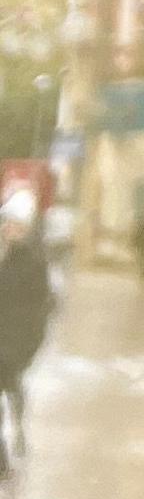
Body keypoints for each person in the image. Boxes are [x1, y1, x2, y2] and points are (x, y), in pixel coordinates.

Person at [0, 189, 52, 481]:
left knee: (12, 387)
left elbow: (40, 308)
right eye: (7, 223)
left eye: (16, 224)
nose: (10, 229)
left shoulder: (33, 260)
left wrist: (27, 346)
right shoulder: (2, 253)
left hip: (14, 344)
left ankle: (18, 428)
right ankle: (3, 456)